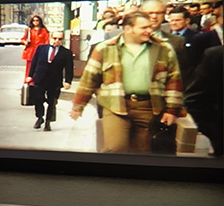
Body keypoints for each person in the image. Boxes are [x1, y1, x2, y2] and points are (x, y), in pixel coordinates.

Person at [69, 11, 185, 153]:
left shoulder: (163, 49)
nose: (149, 30)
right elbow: (89, 79)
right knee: (116, 148)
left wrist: (172, 110)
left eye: (149, 27)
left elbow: (174, 80)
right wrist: (78, 106)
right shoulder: (104, 48)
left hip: (149, 107)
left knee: (144, 151)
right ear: (128, 28)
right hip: (115, 106)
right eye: (144, 28)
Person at [25, 31, 74, 132]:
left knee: (52, 102)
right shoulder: (41, 48)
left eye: (60, 39)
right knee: (38, 99)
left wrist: (68, 81)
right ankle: (40, 117)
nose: (57, 41)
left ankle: (48, 122)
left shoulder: (66, 53)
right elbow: (34, 62)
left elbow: (69, 69)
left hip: (54, 80)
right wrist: (30, 76)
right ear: (51, 38)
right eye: (55, 38)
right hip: (40, 77)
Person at [167, 5, 198, 88]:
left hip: (188, 81)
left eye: (177, 20)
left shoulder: (196, 37)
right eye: (171, 20)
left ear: (187, 20)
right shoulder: (164, 38)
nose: (173, 23)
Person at [21, 15, 50, 81]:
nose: (35, 22)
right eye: (34, 20)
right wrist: (25, 42)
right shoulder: (29, 30)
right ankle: (28, 81)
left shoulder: (44, 31)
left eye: (37, 20)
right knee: (29, 68)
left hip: (40, 51)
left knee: (39, 67)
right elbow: (23, 39)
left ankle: (36, 81)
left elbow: (46, 42)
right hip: (30, 51)